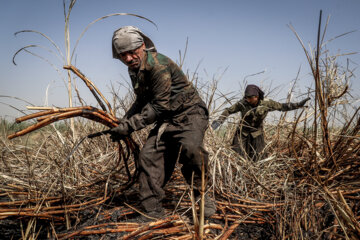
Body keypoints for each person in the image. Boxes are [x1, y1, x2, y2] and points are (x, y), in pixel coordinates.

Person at [108, 26, 215, 220]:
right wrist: (123, 121)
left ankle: (203, 198)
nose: (129, 58)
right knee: (148, 157)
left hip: (190, 114)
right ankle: (152, 211)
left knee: (191, 149)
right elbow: (142, 101)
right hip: (168, 119)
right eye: (123, 55)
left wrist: (130, 126)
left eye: (132, 53)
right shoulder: (135, 70)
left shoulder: (158, 65)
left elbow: (158, 106)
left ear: (142, 46)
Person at [211, 84, 310, 161]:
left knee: (258, 157)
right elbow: (228, 110)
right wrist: (218, 122)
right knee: (237, 156)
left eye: (249, 98)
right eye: (246, 97)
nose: (247, 99)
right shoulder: (242, 103)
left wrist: (298, 105)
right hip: (242, 133)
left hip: (257, 133)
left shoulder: (266, 103)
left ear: (256, 97)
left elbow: (282, 107)